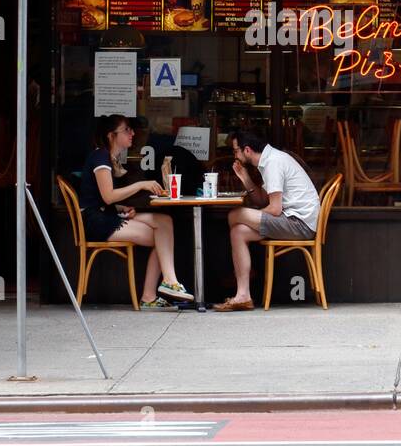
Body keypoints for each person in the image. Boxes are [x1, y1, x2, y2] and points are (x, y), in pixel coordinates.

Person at [76, 114, 192, 310]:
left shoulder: (109, 157)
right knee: (161, 236)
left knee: (163, 221)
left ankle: (162, 287)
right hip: (96, 222)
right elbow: (108, 197)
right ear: (111, 135)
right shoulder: (100, 157)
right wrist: (141, 185)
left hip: (106, 214)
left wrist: (122, 208)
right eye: (126, 130)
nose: (132, 133)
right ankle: (160, 289)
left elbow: (102, 198)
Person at [214, 129, 321, 312]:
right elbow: (262, 201)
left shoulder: (273, 163)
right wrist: (245, 178)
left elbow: (274, 208)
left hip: (298, 224)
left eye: (235, 151)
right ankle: (243, 295)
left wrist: (254, 216)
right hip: (291, 219)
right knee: (238, 231)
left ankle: (241, 271)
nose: (235, 155)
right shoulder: (268, 161)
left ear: (247, 150)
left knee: (235, 215)